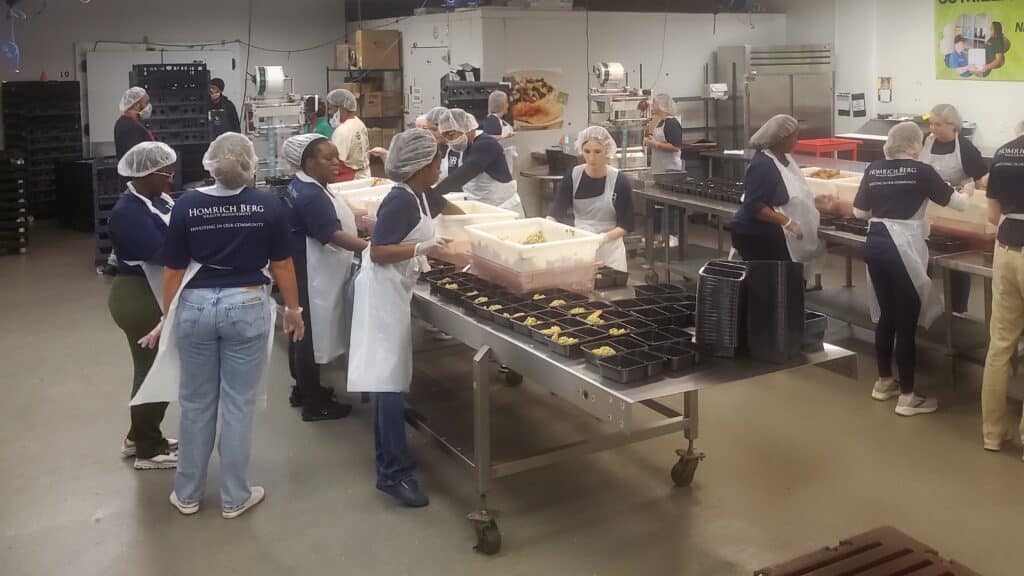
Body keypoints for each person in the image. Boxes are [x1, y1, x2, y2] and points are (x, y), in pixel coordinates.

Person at [135, 132, 305, 518]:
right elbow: (282, 265)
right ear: (249, 164)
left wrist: (167, 316)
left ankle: (188, 494)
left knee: (195, 404)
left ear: (210, 164)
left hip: (195, 306)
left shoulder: (187, 205)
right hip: (246, 303)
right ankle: (234, 497)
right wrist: (293, 310)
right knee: (238, 404)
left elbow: (174, 269)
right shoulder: (267, 204)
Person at [347, 129, 463, 507]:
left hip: (395, 290)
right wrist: (421, 247)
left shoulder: (415, 195)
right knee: (389, 384)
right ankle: (393, 474)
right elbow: (380, 251)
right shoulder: (400, 200)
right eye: (436, 162)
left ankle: (395, 461)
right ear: (420, 167)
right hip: (382, 295)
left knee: (391, 384)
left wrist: (432, 253)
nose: (440, 167)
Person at [853, 122, 970, 417]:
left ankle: (883, 383)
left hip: (875, 242)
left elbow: (859, 212)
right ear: (915, 145)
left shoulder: (874, 168)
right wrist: (967, 189)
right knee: (906, 322)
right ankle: (907, 397)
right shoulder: (922, 171)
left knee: (886, 315)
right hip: (902, 247)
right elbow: (958, 204)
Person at [281, 133, 368, 421]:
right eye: (328, 158)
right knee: (309, 335)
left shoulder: (304, 185)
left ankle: (304, 389)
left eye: (336, 156)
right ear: (307, 162)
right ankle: (313, 404)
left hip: (301, 267)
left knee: (300, 331)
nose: (336, 163)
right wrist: (373, 249)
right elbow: (333, 235)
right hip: (310, 272)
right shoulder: (310, 196)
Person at [108, 142, 179, 470]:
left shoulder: (155, 199)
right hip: (138, 296)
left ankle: (139, 436)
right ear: (148, 173)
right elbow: (164, 253)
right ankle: (149, 449)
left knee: (156, 366)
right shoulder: (127, 213)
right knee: (153, 370)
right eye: (167, 172)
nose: (171, 178)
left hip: (151, 291)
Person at [981, 120, 1024, 454]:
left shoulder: (1002, 153)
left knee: (1000, 345)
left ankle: (993, 434)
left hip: (1006, 249)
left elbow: (993, 215)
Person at [922, 104, 988, 315]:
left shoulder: (965, 147)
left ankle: (957, 309)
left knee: (957, 260)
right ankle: (924, 305)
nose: (933, 128)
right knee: (925, 258)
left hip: (956, 210)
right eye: (931, 123)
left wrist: (974, 194)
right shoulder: (925, 140)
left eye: (938, 124)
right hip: (928, 209)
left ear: (953, 125)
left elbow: (981, 179)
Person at [730, 114, 819, 262]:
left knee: (784, 279)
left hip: (771, 233)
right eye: (794, 137)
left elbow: (786, 194)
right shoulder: (763, 164)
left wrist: (812, 201)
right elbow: (755, 206)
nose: (797, 141)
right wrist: (787, 222)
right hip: (756, 234)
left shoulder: (783, 159)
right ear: (781, 139)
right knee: (769, 280)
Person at [547, 126, 633, 272]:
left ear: (607, 151)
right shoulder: (573, 176)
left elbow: (626, 225)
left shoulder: (619, 181)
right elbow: (556, 212)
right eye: (587, 151)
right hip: (581, 249)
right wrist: (548, 228)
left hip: (610, 253)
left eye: (597, 152)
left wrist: (602, 238)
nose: (592, 158)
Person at [432, 108, 525, 217]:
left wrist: (433, 194)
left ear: (466, 127)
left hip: (504, 209)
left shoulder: (485, 144)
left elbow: (465, 173)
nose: (449, 141)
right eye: (446, 136)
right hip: (484, 208)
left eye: (451, 135)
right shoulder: (468, 146)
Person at [326, 88, 370, 182]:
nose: (330, 113)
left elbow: (336, 161)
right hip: (364, 174)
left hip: (350, 179)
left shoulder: (342, 131)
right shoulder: (359, 123)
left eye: (331, 108)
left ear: (340, 109)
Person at [645, 93, 683, 172]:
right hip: (660, 167)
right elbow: (663, 140)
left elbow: (675, 147)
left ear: (661, 106)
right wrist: (652, 140)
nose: (652, 107)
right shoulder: (662, 121)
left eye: (654, 104)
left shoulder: (672, 123)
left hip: (670, 168)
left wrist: (656, 144)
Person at [115, 87, 155, 160]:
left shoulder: (125, 122)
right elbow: (136, 159)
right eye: (146, 102)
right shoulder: (130, 126)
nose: (149, 105)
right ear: (136, 105)